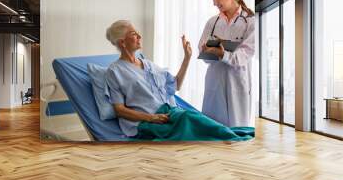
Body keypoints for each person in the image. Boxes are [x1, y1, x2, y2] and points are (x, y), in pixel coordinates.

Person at [105, 20, 253, 141]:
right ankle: (237, 139)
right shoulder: (115, 71)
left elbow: (176, 85)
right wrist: (152, 118)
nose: (139, 36)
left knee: (197, 118)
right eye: (133, 34)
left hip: (169, 113)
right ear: (122, 43)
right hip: (146, 123)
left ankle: (238, 135)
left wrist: (187, 58)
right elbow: (119, 110)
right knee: (190, 118)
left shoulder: (148, 64)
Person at [198, 0, 255, 127]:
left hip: (237, 81)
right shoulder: (212, 22)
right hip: (215, 80)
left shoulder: (250, 21)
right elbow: (202, 50)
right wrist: (207, 51)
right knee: (212, 129)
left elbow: (246, 54)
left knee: (236, 131)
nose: (214, 3)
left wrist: (223, 54)